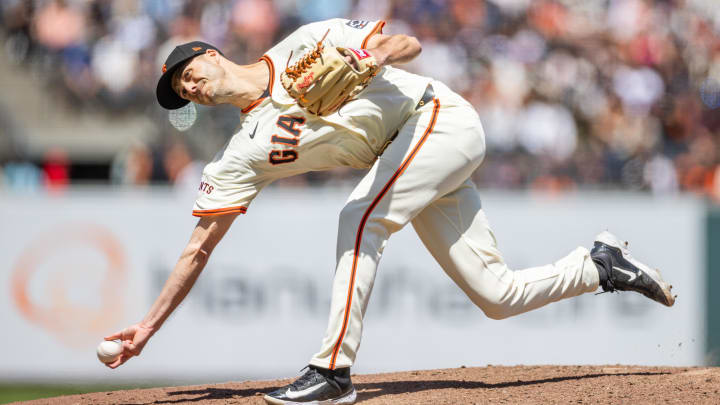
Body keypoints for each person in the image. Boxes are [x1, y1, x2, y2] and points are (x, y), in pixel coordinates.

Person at [104, 18, 675, 405]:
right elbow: (198, 245)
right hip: (405, 160)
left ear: (208, 53)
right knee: (497, 296)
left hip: (436, 119)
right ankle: (600, 266)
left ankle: (332, 371)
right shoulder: (240, 155)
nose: (190, 88)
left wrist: (367, 54)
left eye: (186, 74)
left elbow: (407, 43)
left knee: (357, 219)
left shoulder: (302, 43)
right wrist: (148, 328)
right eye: (181, 92)